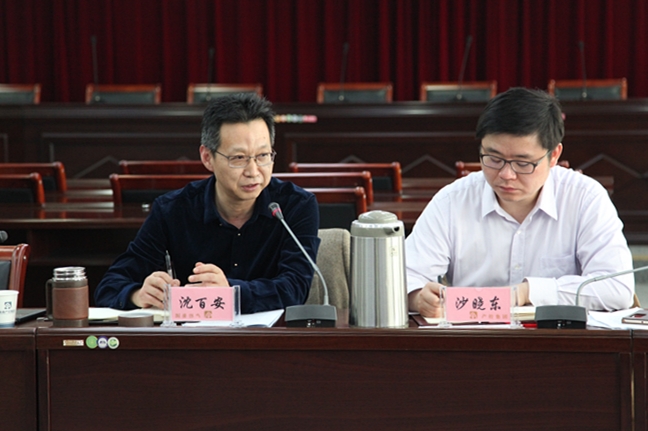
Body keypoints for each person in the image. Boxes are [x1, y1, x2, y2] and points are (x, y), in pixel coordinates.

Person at [406, 87, 634, 318]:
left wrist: (527, 292)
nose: (506, 175)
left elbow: (617, 287)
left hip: (558, 337)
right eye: (494, 159)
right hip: (474, 337)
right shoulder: (452, 201)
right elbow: (405, 276)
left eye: (523, 163)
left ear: (554, 155)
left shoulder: (585, 198)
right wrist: (417, 297)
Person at [94, 93, 320, 314]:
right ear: (207, 158)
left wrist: (230, 293)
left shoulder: (296, 206)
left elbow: (295, 288)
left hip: (271, 336)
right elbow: (109, 287)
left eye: (262, 156)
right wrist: (138, 295)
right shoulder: (172, 210)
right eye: (238, 158)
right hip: (194, 336)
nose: (253, 172)